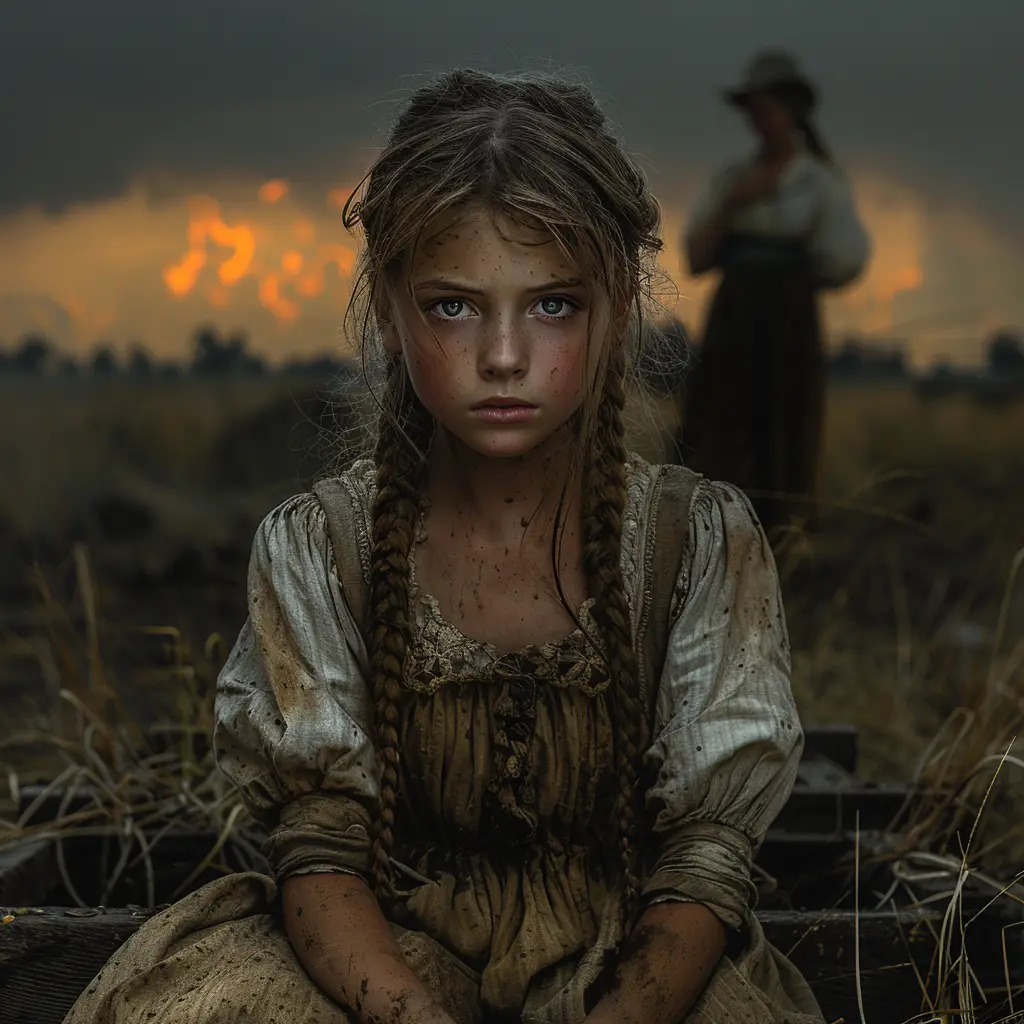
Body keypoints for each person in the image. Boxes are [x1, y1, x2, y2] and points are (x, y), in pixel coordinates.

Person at [64, 70, 824, 1024]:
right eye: (454, 307)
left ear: (619, 308)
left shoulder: (695, 543)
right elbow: (322, 851)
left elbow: (703, 863)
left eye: (552, 305)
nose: (503, 355)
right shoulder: (323, 550)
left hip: (634, 961)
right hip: (377, 955)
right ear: (389, 308)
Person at [678, 50, 870, 533]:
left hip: (788, 319)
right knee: (721, 418)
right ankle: (709, 532)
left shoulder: (817, 182)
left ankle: (783, 536)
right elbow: (697, 256)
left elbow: (845, 258)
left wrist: (792, 276)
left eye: (766, 109)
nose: (759, 122)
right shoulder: (732, 179)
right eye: (753, 112)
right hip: (735, 314)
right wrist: (737, 203)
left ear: (792, 110)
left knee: (784, 424)